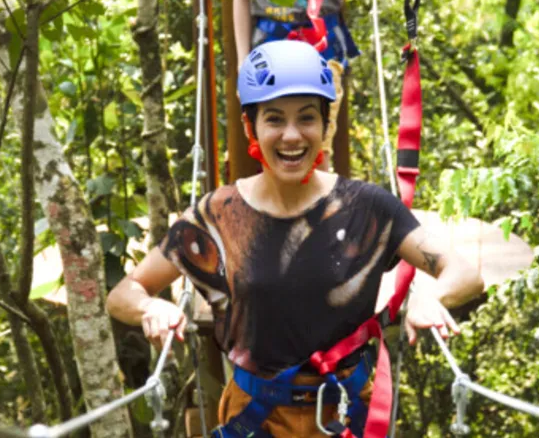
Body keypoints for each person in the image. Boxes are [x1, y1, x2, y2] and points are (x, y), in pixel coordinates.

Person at [107, 40, 484, 436]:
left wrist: (430, 297)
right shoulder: (216, 215)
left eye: (306, 118)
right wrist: (150, 308)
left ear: (325, 126)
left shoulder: (367, 207)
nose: (292, 136)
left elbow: (463, 272)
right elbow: (124, 293)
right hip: (255, 419)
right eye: (274, 119)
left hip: (343, 415)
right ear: (250, 126)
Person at [230, 0, 367, 177]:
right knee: (270, 135)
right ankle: (278, 210)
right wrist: (243, 60)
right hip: (269, 39)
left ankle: (321, 211)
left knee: (319, 140)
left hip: (322, 39)